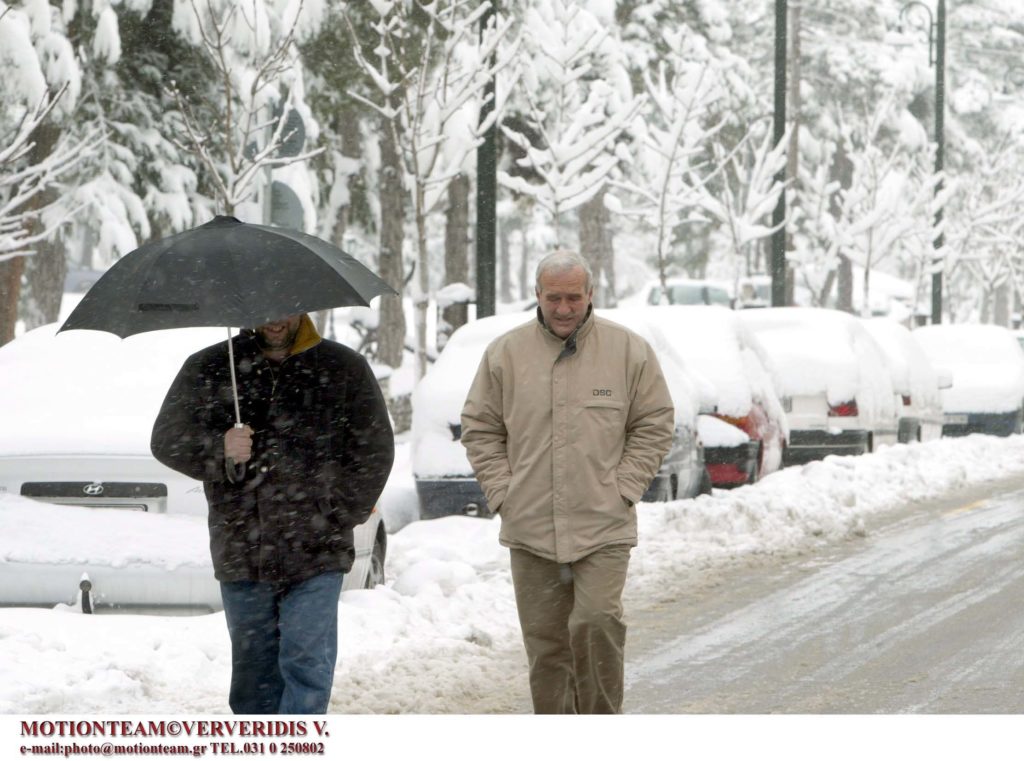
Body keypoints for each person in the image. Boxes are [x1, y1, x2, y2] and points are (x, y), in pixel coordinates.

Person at [460, 250, 674, 714]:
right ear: (537, 295)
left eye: (573, 297)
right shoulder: (505, 354)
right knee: (547, 646)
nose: (563, 308)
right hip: (530, 524)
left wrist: (625, 486)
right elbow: (480, 427)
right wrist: (504, 493)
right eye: (553, 297)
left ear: (590, 295)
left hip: (603, 523)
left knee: (597, 623)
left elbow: (655, 422)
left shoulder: (628, 350)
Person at [151, 312, 394, 714]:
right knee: (253, 675)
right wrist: (220, 447)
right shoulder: (211, 366)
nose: (274, 321)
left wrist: (336, 512)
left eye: (285, 309)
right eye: (264, 311)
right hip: (242, 546)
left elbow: (374, 449)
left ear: (304, 308)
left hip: (318, 547)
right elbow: (166, 440)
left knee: (307, 663)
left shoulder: (343, 367)